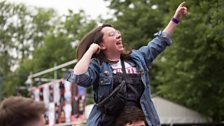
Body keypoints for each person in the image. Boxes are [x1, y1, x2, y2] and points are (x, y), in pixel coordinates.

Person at [64, 1, 187, 126]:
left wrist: (175, 19)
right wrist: (91, 49)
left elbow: (160, 42)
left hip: (138, 120)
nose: (118, 35)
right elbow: (78, 78)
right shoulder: (98, 65)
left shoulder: (137, 59)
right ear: (102, 45)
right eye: (112, 34)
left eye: (117, 32)